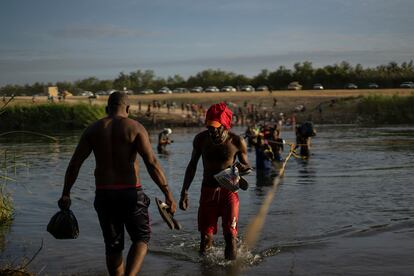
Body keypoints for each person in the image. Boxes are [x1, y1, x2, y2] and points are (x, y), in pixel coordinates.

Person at [57, 91, 177, 276]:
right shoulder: (135, 128)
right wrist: (167, 193)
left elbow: (74, 164)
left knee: (113, 246)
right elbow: (152, 163)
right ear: (128, 108)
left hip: (104, 194)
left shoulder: (92, 129)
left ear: (107, 109)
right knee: (141, 238)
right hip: (130, 193)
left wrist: (66, 193)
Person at [179, 103, 251, 260]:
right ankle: (205, 269)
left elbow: (248, 166)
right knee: (205, 241)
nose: (212, 131)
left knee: (230, 238)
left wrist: (242, 167)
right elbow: (192, 166)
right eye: (209, 127)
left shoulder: (237, 141)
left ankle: (231, 269)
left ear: (225, 125)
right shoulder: (201, 140)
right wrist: (184, 192)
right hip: (207, 193)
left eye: (216, 127)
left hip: (229, 193)